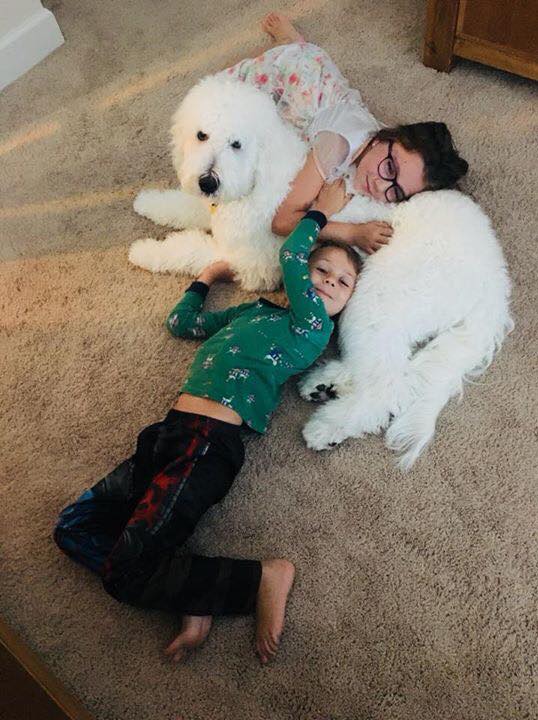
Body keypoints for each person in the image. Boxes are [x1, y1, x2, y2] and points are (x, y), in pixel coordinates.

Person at [53, 179, 360, 666]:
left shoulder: (312, 327)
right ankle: (189, 591)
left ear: (344, 305)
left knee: (126, 577)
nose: (327, 282)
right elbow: (182, 326)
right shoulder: (253, 312)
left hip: (207, 447)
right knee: (73, 528)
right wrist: (204, 279)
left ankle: (262, 578)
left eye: (342, 282)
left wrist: (320, 214)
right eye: (321, 270)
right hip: (165, 436)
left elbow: (291, 256)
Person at [218, 12, 469, 254]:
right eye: (390, 169)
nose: (380, 186)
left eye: (396, 192)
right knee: (221, 105)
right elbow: (282, 221)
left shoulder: (385, 149)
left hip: (325, 84)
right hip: (293, 78)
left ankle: (294, 44)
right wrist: (350, 232)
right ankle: (289, 45)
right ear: (383, 139)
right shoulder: (336, 143)